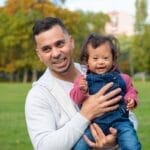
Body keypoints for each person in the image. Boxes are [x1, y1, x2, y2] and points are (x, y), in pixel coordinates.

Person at [25, 16, 134, 150]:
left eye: (60, 44)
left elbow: (131, 116)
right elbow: (44, 146)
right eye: (46, 49)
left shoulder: (98, 70)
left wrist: (114, 139)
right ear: (39, 55)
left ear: (71, 42)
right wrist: (85, 114)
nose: (56, 53)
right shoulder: (38, 95)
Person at [70, 33, 141, 150]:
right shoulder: (82, 80)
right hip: (94, 125)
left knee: (131, 144)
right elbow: (75, 98)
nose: (101, 62)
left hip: (120, 122)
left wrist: (131, 99)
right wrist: (81, 90)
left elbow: (131, 91)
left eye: (105, 58)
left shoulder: (123, 78)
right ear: (87, 61)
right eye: (95, 58)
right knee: (80, 146)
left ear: (113, 60)